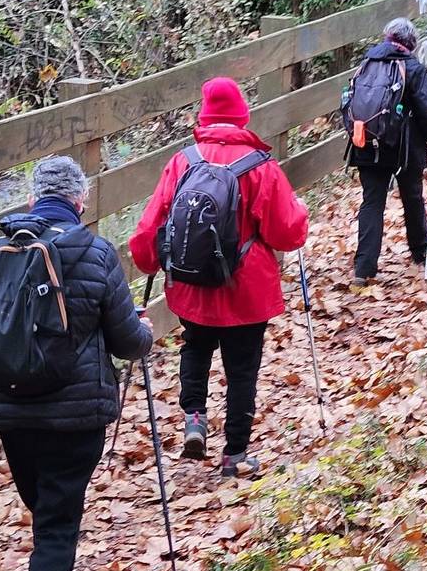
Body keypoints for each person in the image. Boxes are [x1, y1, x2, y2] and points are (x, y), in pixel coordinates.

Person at [0, 156, 153, 571]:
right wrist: (147, 332)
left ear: (31, 199)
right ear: (79, 201)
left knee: (45, 509)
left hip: (15, 418)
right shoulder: (96, 252)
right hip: (75, 417)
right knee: (58, 521)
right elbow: (129, 342)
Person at [129, 77, 308, 479]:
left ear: (203, 115)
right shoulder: (262, 167)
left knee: (195, 347)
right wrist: (301, 212)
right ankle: (235, 454)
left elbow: (151, 225)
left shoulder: (183, 161)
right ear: (243, 116)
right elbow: (287, 233)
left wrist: (147, 261)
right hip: (246, 289)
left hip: (192, 285)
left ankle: (194, 416)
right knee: (242, 368)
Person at [347, 17, 427, 287]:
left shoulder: (367, 63)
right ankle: (420, 252)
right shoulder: (412, 67)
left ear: (387, 37)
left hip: (367, 142)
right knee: (412, 197)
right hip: (404, 148)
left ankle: (363, 269)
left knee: (372, 202)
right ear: (411, 42)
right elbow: (426, 109)